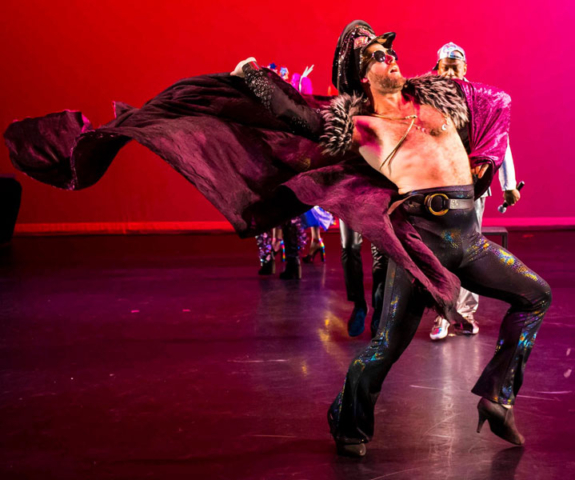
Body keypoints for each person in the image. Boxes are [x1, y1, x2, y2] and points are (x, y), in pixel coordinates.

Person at [3, 19, 551, 459]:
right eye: (375, 55)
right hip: (418, 244)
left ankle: (497, 396)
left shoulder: (439, 98)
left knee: (534, 295)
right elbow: (295, 116)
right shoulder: (359, 127)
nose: (389, 56)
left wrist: (489, 160)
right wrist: (253, 77)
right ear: (361, 76)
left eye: (389, 50)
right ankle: (349, 422)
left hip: (468, 237)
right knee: (386, 347)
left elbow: (495, 100)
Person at [429, 42, 522, 340]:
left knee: (469, 250)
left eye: (455, 67)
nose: (450, 72)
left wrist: (508, 185)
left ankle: (466, 313)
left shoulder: (481, 99)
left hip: (472, 185)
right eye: (445, 67)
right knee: (441, 251)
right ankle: (444, 313)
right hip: (438, 187)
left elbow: (500, 141)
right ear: (437, 68)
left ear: (465, 68)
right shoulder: (428, 99)